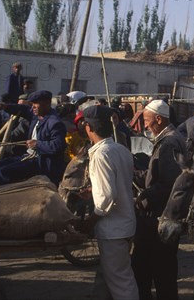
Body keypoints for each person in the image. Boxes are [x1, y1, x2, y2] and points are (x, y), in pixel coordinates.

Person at [80, 105, 139, 300]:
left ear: (89, 128)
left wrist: (89, 222)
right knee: (112, 279)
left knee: (122, 283)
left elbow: (106, 197)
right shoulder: (120, 150)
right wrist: (93, 191)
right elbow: (118, 186)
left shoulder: (101, 154)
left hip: (113, 229)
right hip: (125, 225)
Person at [132, 100, 186, 300]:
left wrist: (144, 196)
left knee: (154, 266)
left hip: (161, 215)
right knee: (158, 266)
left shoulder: (169, 142)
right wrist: (138, 174)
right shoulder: (169, 138)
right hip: (162, 213)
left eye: (146, 121)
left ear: (158, 119)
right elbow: (158, 174)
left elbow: (170, 184)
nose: (145, 125)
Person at [0, 90, 67, 186]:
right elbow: (23, 109)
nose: (33, 107)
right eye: (32, 104)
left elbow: (58, 146)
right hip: (28, 157)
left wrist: (37, 144)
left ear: (47, 103)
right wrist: (5, 106)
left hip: (40, 162)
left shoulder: (54, 123)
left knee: (3, 172)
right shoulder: (37, 115)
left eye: (36, 104)